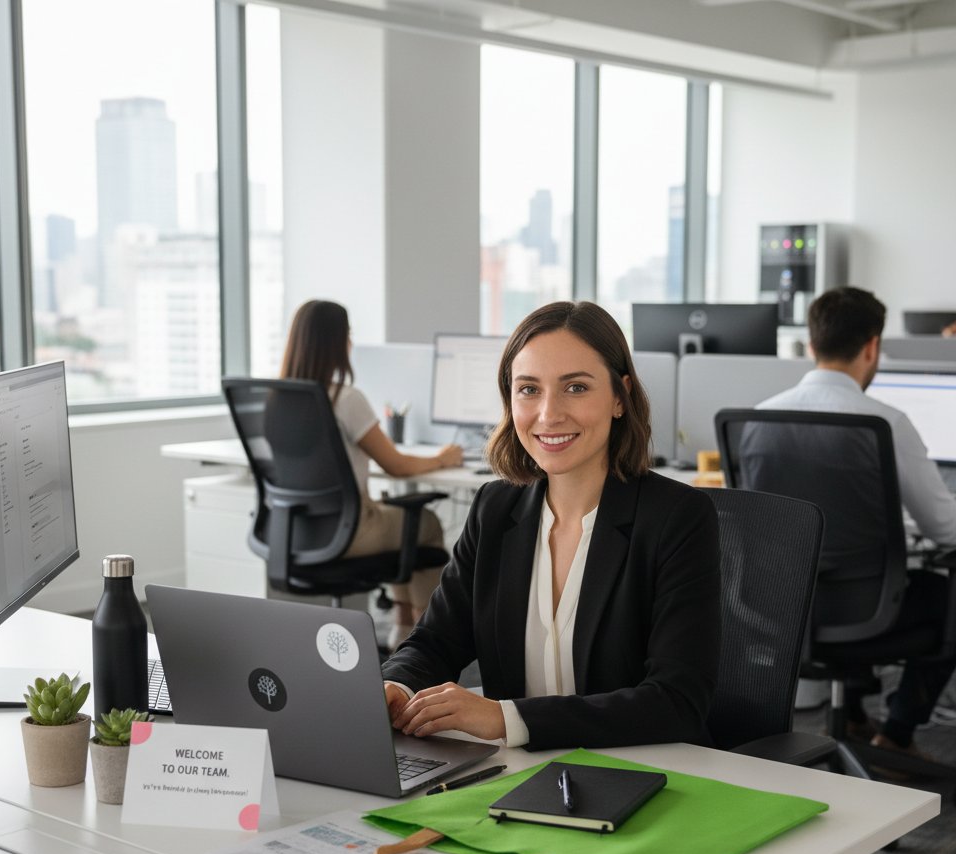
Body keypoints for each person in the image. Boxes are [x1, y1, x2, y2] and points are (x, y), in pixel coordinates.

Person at [382, 300, 721, 751]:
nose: (548, 414)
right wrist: (395, 686)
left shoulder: (676, 518)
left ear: (619, 397)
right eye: (528, 389)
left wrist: (506, 718)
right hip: (521, 772)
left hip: (644, 770)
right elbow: (435, 641)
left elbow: (676, 702)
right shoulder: (494, 510)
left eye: (575, 387)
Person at [759, 285, 956, 756]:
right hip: (868, 612)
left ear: (811, 344)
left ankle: (853, 717)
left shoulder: (760, 417)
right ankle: (897, 736)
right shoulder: (887, 422)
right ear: (872, 347)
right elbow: (945, 530)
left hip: (780, 609)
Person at [280, 300, 463, 646]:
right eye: (347, 334)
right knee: (426, 524)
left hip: (296, 530)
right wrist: (442, 458)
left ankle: (402, 626)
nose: (351, 342)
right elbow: (397, 465)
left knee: (398, 518)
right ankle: (425, 637)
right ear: (335, 341)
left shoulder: (277, 398)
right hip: (349, 532)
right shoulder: (345, 399)